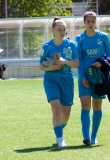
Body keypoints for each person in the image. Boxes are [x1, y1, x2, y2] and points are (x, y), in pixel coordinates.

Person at [39, 17, 79, 148]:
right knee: (56, 109)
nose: (62, 32)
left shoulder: (71, 45)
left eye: (64, 30)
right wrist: (51, 67)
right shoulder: (47, 46)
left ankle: (59, 128)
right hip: (51, 79)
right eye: (59, 29)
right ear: (53, 30)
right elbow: (41, 65)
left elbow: (77, 64)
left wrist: (64, 62)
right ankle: (60, 139)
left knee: (66, 114)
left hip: (67, 80)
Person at [75, 11, 110, 145]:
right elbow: (78, 59)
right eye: (88, 21)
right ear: (84, 22)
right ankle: (85, 137)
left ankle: (93, 136)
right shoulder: (79, 39)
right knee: (85, 105)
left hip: (99, 77)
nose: (91, 24)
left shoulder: (103, 37)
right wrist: (81, 76)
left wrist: (101, 63)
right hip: (85, 78)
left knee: (97, 107)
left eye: (93, 21)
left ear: (96, 22)